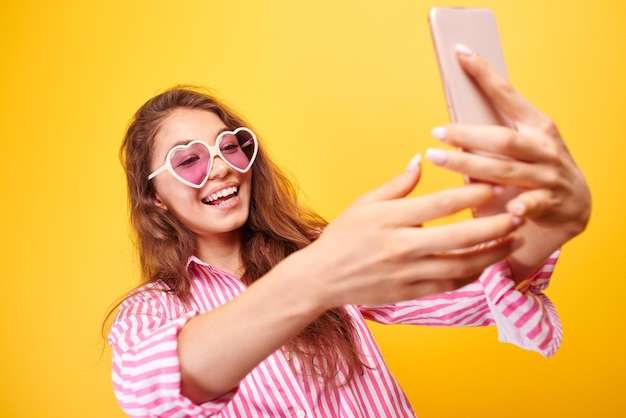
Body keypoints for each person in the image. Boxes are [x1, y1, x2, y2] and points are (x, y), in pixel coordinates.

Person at [106, 45, 590, 417]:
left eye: (230, 148)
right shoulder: (150, 310)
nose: (221, 169)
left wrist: (549, 225)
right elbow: (151, 389)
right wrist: (315, 276)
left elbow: (470, 289)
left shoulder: (324, 252)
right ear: (154, 197)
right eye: (188, 160)